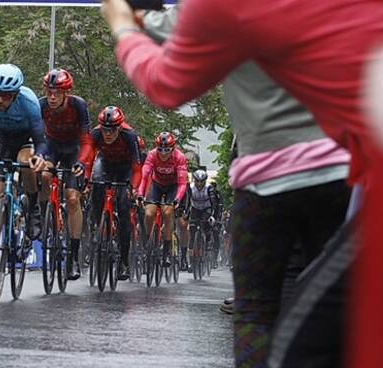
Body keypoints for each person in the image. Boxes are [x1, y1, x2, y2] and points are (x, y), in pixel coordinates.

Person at [135, 7, 353, 367]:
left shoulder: (187, 167)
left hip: (270, 181)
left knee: (257, 305)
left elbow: (169, 48)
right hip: (325, 173)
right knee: (160, 208)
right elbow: (153, 180)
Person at [0, 63, 47, 285]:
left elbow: (41, 140)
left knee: (25, 162)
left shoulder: (30, 102)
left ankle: (32, 207)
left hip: (26, 139)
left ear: (15, 94)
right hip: (3, 139)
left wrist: (39, 156)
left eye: (5, 96)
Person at [79, 106, 142, 280]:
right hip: (105, 162)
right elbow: (90, 159)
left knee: (123, 206)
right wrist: (86, 180)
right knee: (97, 188)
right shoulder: (96, 134)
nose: (108, 134)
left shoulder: (130, 136)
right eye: (105, 129)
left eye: (112, 130)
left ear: (120, 127)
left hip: (126, 167)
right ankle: (98, 228)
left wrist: (134, 188)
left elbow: (137, 168)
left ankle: (124, 262)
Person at [39, 68, 90, 280]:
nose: (52, 96)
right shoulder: (40, 105)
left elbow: (87, 140)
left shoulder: (78, 105)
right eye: (49, 91)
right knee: (43, 175)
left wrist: (82, 162)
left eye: (57, 92)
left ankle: (73, 257)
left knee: (71, 198)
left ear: (66, 93)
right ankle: (43, 216)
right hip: (51, 146)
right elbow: (36, 133)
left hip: (74, 149)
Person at [137, 131, 188, 267]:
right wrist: (141, 193)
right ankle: (148, 243)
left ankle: (166, 251)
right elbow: (145, 176)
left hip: (173, 186)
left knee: (167, 213)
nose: (163, 153)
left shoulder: (180, 157)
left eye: (167, 150)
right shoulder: (152, 155)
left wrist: (177, 199)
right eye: (160, 149)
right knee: (149, 213)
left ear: (173, 148)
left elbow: (183, 183)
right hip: (157, 184)